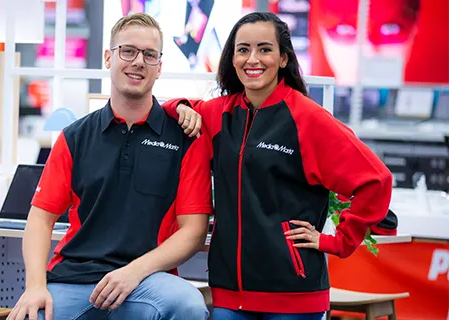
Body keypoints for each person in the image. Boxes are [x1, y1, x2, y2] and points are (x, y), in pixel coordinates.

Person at [162, 12, 393, 319]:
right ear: (232, 58)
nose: (252, 59)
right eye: (243, 49)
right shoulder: (221, 114)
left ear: (283, 59)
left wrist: (337, 241)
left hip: (293, 297)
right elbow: (169, 111)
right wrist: (177, 106)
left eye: (264, 49)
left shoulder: (308, 119)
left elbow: (375, 179)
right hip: (229, 296)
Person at [8, 13, 213, 320]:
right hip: (75, 279)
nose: (138, 62)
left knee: (188, 305)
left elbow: (193, 233)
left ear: (160, 67)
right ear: (108, 57)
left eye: (149, 55)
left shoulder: (185, 139)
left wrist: (132, 273)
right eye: (128, 51)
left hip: (148, 280)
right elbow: (40, 218)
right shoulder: (74, 137)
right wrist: (35, 285)